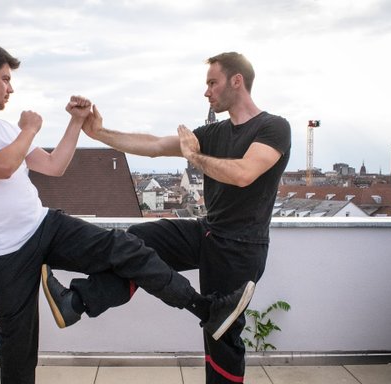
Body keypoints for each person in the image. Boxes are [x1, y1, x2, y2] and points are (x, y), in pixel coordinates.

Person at [0, 43, 256, 384]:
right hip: (2, 251)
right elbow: (0, 166)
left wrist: (75, 122)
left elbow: (54, 166)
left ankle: (204, 308)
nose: (11, 88)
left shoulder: (4, 129)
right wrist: (29, 128)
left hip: (43, 225)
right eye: (5, 79)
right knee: (18, 346)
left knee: (126, 248)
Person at [69, 52, 292, 383]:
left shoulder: (273, 127)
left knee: (222, 339)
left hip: (241, 247)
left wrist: (194, 156)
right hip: (208, 232)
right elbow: (156, 144)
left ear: (237, 81)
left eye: (212, 83)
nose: (207, 92)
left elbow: (245, 173)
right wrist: (100, 132)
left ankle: (211, 320)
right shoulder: (215, 133)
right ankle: (78, 300)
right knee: (138, 241)